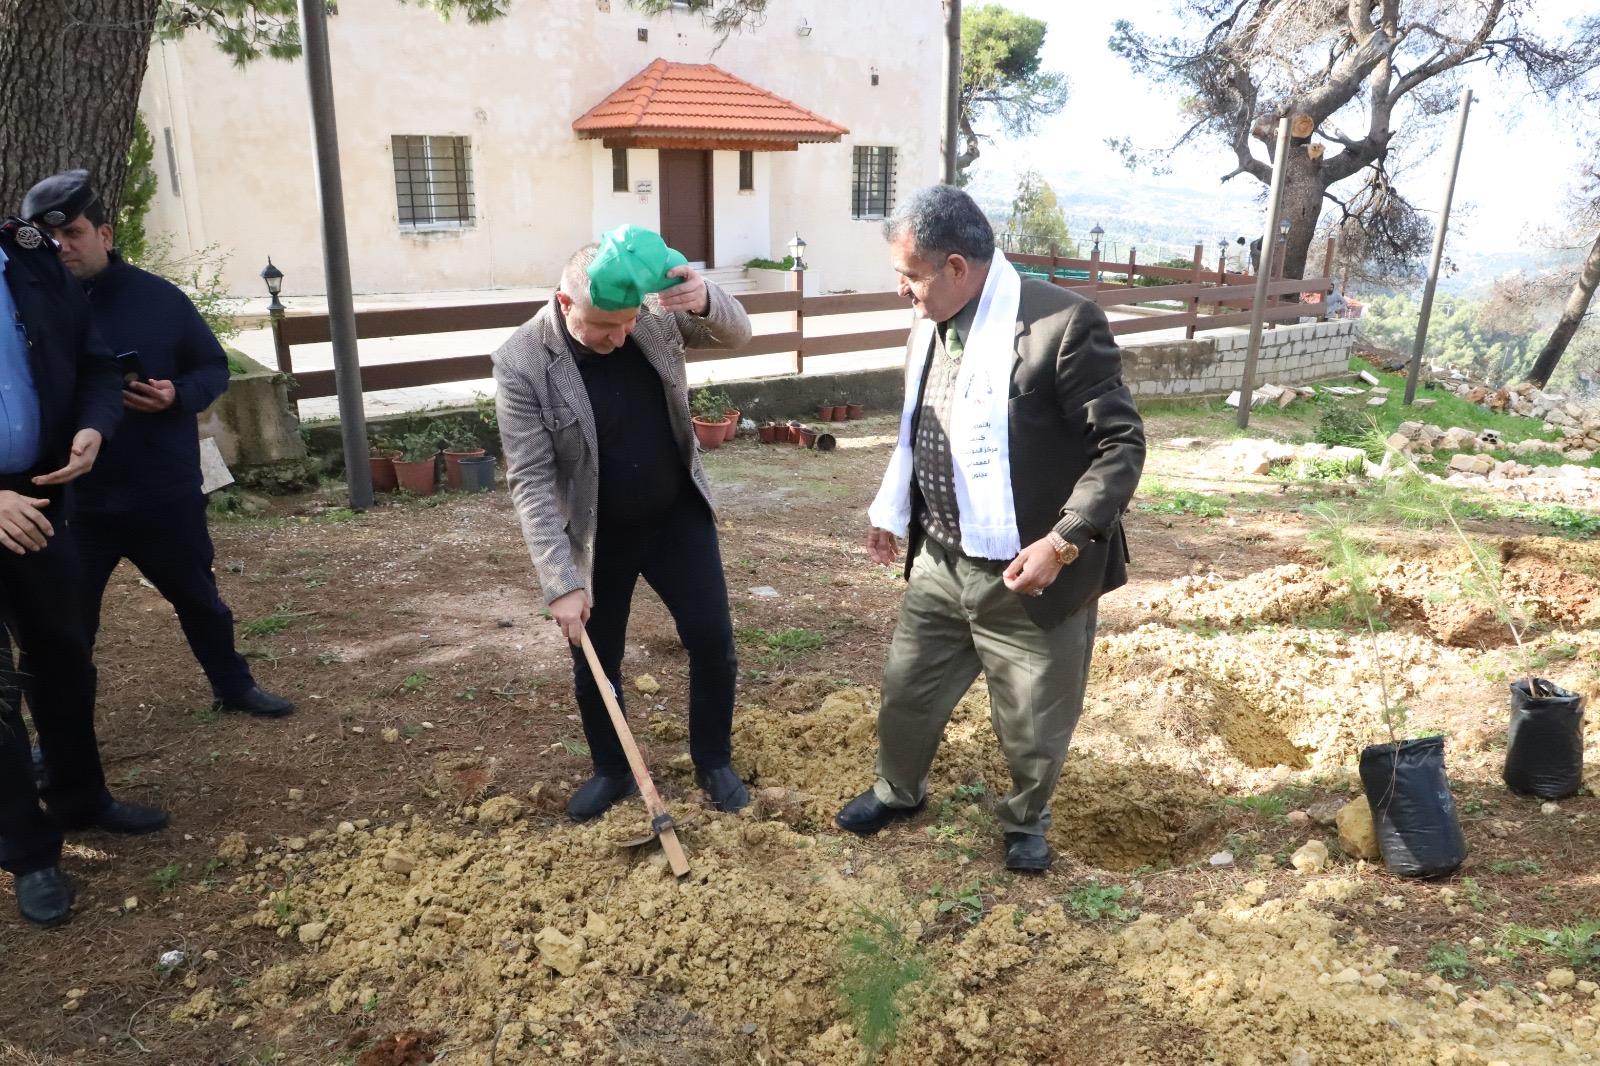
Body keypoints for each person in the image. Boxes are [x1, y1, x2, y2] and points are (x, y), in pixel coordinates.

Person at [835, 185, 1146, 873]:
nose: (900, 290)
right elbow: (922, 428)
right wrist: (894, 509)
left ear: (956, 267)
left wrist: (1063, 541)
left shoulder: (1061, 324)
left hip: (1033, 569)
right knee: (907, 693)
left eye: (911, 275)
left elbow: (1120, 445)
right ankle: (897, 791)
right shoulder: (932, 322)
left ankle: (1025, 820)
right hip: (942, 559)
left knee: (1034, 721)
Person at [494, 225, 753, 821]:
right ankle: (612, 769)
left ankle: (713, 759)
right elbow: (530, 480)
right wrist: (560, 581)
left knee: (712, 642)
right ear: (566, 302)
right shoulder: (522, 361)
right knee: (597, 658)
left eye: (627, 323)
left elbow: (737, 334)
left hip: (676, 517)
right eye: (604, 327)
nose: (620, 336)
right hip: (598, 535)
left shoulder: (651, 313)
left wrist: (706, 299)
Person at [22, 171, 293, 719]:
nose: (61, 246)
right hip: (73, 501)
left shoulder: (159, 298)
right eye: (49, 237)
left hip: (161, 488)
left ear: (104, 233)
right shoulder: (26, 309)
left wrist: (176, 395)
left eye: (73, 233)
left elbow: (212, 367)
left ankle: (233, 687)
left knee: (199, 599)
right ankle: (63, 734)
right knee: (67, 621)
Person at [0, 211, 169, 928]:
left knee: (63, 655)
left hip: (39, 495)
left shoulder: (27, 257)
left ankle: (79, 797)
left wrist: (94, 425)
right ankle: (28, 852)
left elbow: (96, 363)